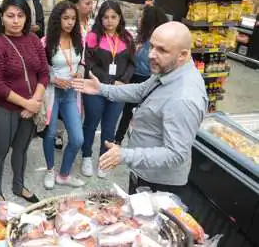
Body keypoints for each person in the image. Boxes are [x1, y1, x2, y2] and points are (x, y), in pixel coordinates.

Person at [74, 22, 208, 196]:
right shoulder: (170, 69)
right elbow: (142, 90)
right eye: (151, 46)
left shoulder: (183, 98)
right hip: (144, 171)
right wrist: (102, 89)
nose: (151, 54)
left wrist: (124, 155)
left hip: (158, 184)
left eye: (162, 50)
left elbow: (176, 154)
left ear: (183, 54)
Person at [0, 0, 49, 205]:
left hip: (30, 106)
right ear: (1, 17)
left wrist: (35, 101)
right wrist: (27, 103)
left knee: (21, 149)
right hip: (3, 107)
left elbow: (44, 73)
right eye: (10, 15)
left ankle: (18, 186)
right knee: (0, 151)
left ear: (26, 18)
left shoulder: (32, 40)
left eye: (20, 15)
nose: (15, 20)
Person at [81, 0, 135, 179]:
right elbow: (89, 63)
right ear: (100, 18)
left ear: (120, 18)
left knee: (110, 127)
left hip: (118, 91)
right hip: (96, 88)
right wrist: (105, 82)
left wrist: (123, 80)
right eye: (106, 17)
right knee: (90, 123)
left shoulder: (127, 38)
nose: (110, 21)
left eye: (114, 17)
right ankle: (86, 156)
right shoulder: (93, 37)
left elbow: (131, 64)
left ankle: (104, 159)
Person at [42, 1, 86, 190]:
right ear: (57, 19)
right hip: (52, 93)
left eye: (73, 19)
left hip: (71, 94)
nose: (70, 22)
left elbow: (82, 63)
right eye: (66, 18)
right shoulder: (45, 42)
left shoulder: (78, 40)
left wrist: (81, 72)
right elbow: (40, 70)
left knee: (77, 138)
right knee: (50, 134)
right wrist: (53, 79)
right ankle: (50, 170)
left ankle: (64, 174)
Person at [115, 6, 169, 144]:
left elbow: (144, 61)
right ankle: (120, 139)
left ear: (148, 20)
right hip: (140, 78)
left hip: (145, 79)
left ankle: (120, 140)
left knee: (131, 112)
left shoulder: (152, 41)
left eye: (141, 17)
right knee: (130, 111)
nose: (139, 20)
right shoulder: (144, 38)